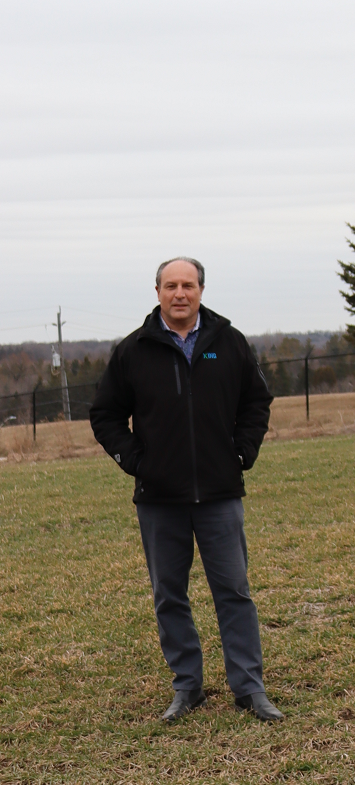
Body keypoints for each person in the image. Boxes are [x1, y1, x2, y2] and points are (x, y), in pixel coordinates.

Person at [90, 257, 282, 722]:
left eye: (188, 285)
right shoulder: (133, 350)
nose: (180, 293)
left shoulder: (228, 342)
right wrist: (136, 462)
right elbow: (105, 415)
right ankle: (188, 687)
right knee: (169, 595)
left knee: (233, 591)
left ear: (201, 290)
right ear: (156, 290)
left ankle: (249, 689)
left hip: (220, 494)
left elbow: (256, 401)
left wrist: (242, 452)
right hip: (159, 498)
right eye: (171, 285)